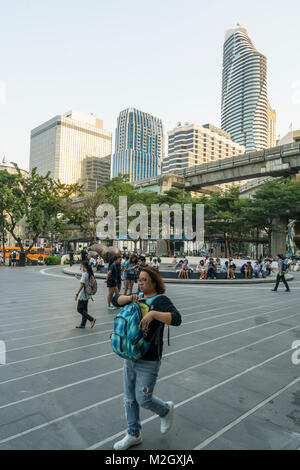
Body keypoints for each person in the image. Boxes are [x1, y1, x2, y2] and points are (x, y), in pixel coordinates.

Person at [111, 267, 182, 450]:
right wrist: (129, 298)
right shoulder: (138, 296)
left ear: (153, 282)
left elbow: (176, 318)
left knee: (143, 398)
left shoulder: (161, 300)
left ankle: (165, 410)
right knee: (129, 398)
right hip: (130, 354)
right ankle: (133, 433)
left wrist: (153, 314)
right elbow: (115, 300)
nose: (140, 283)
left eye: (144, 280)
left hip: (149, 359)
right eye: (139, 280)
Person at [75, 260, 96, 329]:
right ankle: (83, 324)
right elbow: (85, 281)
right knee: (84, 309)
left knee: (79, 309)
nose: (80, 266)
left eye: (81, 265)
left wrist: (77, 294)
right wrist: (80, 278)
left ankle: (91, 319)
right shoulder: (88, 273)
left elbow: (82, 285)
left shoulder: (85, 274)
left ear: (83, 266)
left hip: (83, 294)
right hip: (87, 294)